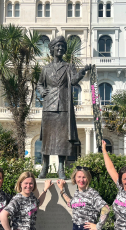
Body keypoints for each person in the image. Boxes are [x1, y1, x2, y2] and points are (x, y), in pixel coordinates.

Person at [37, 35, 91, 179]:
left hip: (64, 106)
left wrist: (82, 71)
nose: (60, 48)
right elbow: (40, 84)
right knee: (47, 138)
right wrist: (42, 92)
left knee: (62, 139)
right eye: (57, 46)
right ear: (52, 49)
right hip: (49, 106)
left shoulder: (68, 66)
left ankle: (61, 168)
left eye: (62, 46)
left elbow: (73, 81)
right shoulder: (46, 69)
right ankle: (45, 167)